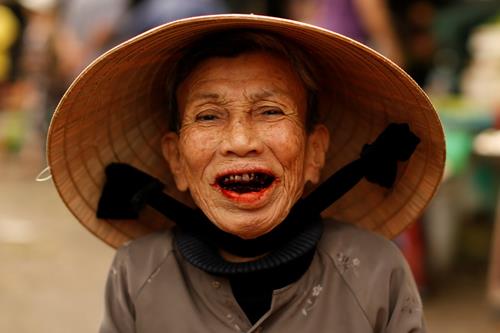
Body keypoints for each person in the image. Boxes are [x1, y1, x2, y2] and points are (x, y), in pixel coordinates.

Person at [46, 14, 445, 332]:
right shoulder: (137, 272)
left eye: (270, 111)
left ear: (314, 152)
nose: (239, 141)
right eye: (208, 116)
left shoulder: (375, 269)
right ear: (177, 161)